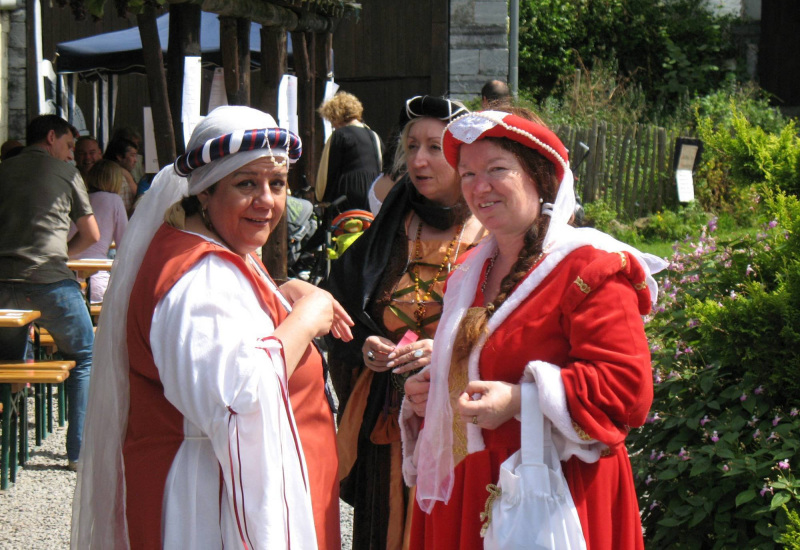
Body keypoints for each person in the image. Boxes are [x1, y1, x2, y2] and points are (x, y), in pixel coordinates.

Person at [72, 106, 353, 549]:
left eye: (276, 184)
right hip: (205, 503)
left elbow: (229, 330)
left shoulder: (217, 247)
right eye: (246, 184)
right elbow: (238, 398)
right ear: (205, 192)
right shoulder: (196, 277)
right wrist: (307, 316)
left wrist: (280, 292)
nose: (267, 201)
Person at [400, 109, 668, 549]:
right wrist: (439, 391)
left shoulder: (589, 267)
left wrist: (521, 400)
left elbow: (627, 391)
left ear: (540, 178)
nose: (478, 186)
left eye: (496, 170)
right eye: (467, 173)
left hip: (552, 494)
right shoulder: (470, 269)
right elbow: (483, 360)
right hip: (471, 486)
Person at [326, 95, 484, 550]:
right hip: (386, 420)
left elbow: (514, 324)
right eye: (411, 145)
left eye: (436, 147)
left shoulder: (494, 232)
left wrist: (447, 352)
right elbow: (342, 302)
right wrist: (364, 346)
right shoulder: (391, 225)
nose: (418, 159)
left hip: (459, 420)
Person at [0, 114, 100, 471]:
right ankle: (78, 453)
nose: (72, 155)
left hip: (3, 287)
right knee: (86, 355)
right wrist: (61, 254)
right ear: (51, 137)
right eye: (69, 146)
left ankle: (8, 445)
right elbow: (92, 234)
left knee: (8, 363)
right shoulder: (68, 175)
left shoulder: (4, 168)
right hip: (50, 283)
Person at [69, 159, 128, 303]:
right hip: (97, 278)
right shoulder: (114, 200)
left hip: (70, 277)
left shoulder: (79, 199)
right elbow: (125, 244)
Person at [316, 91, 384, 212]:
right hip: (373, 194)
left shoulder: (339, 135)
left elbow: (327, 172)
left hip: (347, 196)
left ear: (335, 116)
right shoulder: (374, 136)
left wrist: (321, 197)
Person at [103, 136, 139, 214]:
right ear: (119, 156)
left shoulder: (125, 175)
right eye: (132, 155)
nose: (135, 160)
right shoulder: (120, 179)